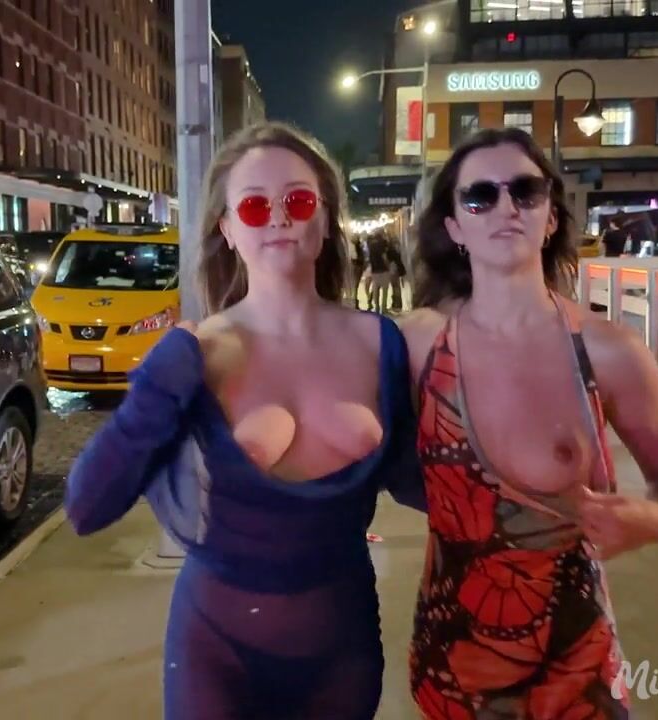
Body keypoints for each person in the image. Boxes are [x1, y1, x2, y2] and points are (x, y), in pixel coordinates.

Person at [63, 121, 425, 720]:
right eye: (255, 206)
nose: (278, 217)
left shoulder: (381, 344)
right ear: (227, 229)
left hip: (343, 648)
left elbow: (427, 485)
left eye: (298, 200)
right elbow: (86, 506)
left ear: (325, 219)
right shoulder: (196, 356)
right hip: (215, 653)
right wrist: (155, 392)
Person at [398, 127, 658, 719]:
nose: (506, 207)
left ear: (551, 217)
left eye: (526, 191)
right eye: (480, 196)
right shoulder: (417, 346)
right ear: (454, 227)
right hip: (456, 658)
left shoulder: (609, 351)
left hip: (577, 662)